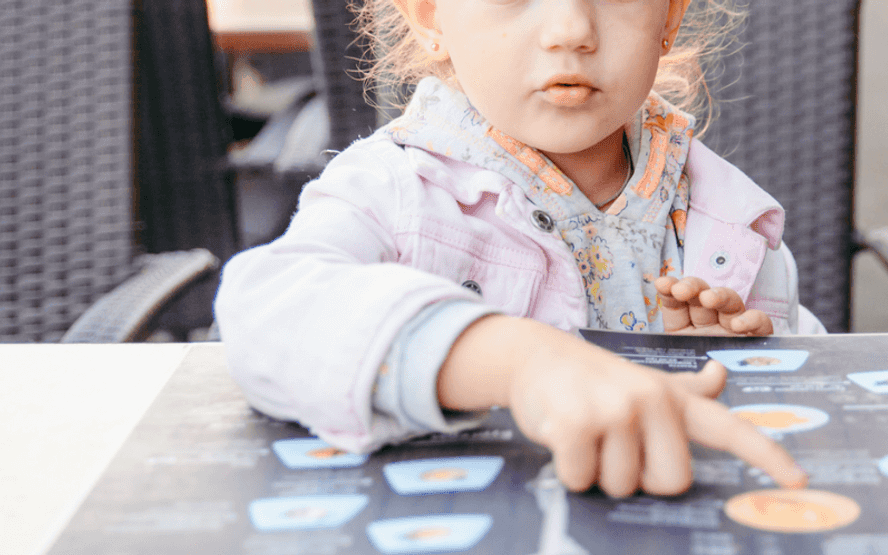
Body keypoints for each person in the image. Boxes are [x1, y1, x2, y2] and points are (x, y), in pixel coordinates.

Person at [214, 0, 826, 499]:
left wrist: (728, 371)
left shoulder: (727, 215)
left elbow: (819, 406)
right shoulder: (393, 191)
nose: (571, 30)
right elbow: (263, 311)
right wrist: (516, 361)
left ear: (667, 17)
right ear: (431, 17)